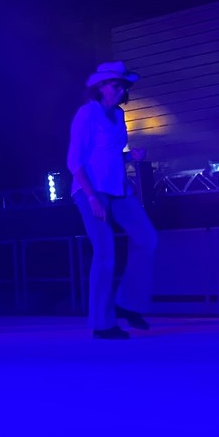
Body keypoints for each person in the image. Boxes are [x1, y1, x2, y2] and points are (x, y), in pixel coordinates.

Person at [67, 61, 159, 341]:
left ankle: (128, 303)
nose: (121, 90)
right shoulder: (86, 114)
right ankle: (101, 323)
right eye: (116, 85)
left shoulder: (119, 114)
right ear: (101, 87)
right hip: (90, 189)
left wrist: (130, 157)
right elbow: (74, 161)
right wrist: (91, 196)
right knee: (105, 252)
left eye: (123, 86)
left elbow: (108, 154)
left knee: (147, 238)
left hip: (118, 189)